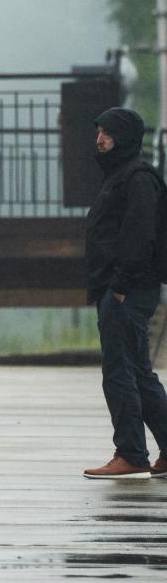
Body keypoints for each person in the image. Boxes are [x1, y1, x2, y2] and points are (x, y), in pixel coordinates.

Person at [83, 107, 167, 479]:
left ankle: (131, 451)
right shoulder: (119, 175)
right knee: (137, 370)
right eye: (99, 131)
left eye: (108, 132)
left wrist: (118, 287)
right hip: (119, 287)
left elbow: (139, 236)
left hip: (126, 290)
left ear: (126, 137)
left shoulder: (136, 178)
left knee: (120, 371)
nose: (100, 138)